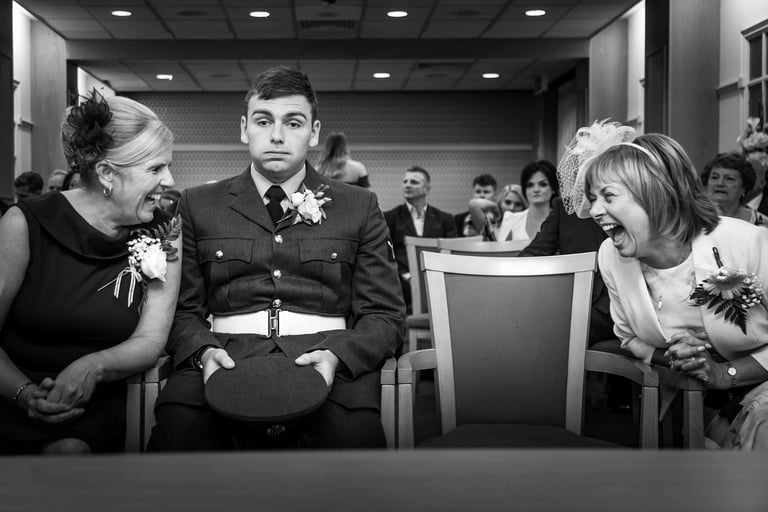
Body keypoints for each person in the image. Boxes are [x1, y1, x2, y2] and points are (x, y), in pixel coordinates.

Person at [147, 66, 404, 451]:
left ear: (314, 132)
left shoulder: (358, 205)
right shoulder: (199, 204)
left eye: (294, 123)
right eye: (263, 121)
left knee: (355, 449)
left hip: (328, 361)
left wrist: (338, 356)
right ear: (243, 128)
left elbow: (384, 316)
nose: (277, 136)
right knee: (177, 438)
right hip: (224, 358)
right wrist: (203, 352)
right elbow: (182, 311)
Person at [561, 121, 768, 449]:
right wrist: (675, 357)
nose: (596, 212)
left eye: (608, 196)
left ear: (654, 193)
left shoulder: (747, 243)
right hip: (692, 400)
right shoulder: (611, 256)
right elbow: (628, 338)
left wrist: (725, 373)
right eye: (591, 198)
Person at [0, 91, 180, 454]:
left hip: (103, 399)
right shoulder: (25, 224)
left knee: (70, 453)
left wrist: (94, 366)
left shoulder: (164, 232)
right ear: (106, 173)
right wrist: (23, 394)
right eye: (156, 168)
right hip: (10, 392)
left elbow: (150, 340)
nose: (171, 181)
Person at [519, 197, 613, 345]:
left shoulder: (622, 197)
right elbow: (538, 249)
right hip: (574, 301)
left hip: (614, 305)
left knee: (544, 331)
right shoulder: (566, 207)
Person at [384, 166, 458, 310]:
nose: (407, 185)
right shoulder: (389, 218)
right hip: (400, 285)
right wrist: (407, 278)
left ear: (427, 189)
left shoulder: (445, 219)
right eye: (405, 181)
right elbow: (385, 254)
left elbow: (452, 256)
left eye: (414, 182)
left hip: (437, 281)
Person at [469, 160, 558, 243]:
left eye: (543, 184)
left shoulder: (562, 220)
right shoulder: (511, 218)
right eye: (530, 185)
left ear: (553, 188)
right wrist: (497, 206)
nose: (536, 189)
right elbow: (501, 253)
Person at [701, 152, 768, 226]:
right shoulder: (692, 219)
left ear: (744, 187)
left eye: (729, 179)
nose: (720, 183)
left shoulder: (762, 222)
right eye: (714, 177)